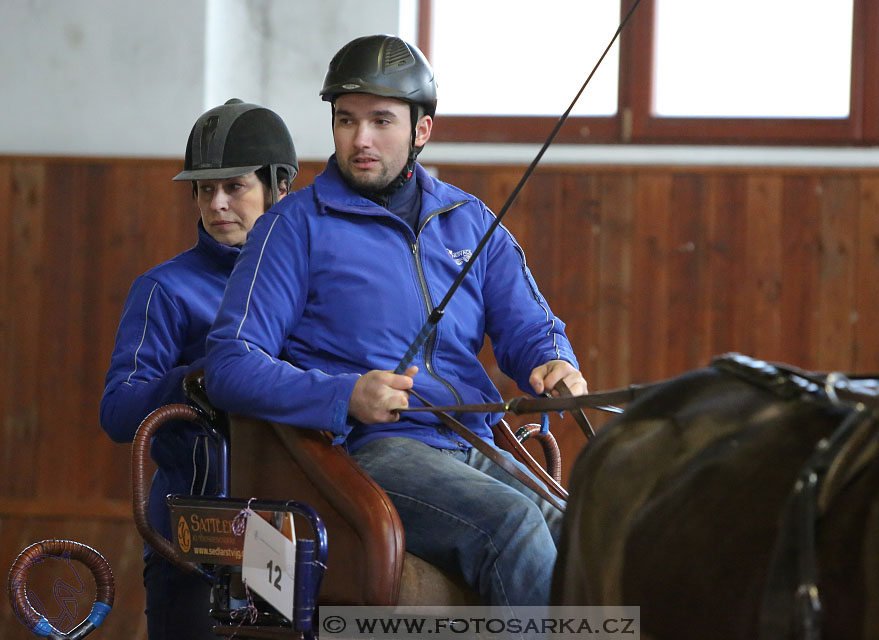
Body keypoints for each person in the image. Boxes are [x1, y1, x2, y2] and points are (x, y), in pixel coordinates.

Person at [204, 35, 586, 607]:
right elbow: (229, 365)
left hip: (469, 440)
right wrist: (345, 395)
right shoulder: (292, 228)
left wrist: (555, 361)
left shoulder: (467, 219)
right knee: (514, 527)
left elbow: (532, 326)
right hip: (371, 450)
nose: (360, 140)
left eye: (381, 120)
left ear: (421, 131)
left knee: (581, 533)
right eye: (346, 120)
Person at [100, 99, 297, 638]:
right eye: (205, 189)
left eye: (235, 186)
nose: (218, 203)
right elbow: (118, 413)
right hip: (192, 530)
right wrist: (199, 376)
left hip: (287, 528)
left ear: (278, 188)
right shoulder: (163, 288)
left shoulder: (312, 286)